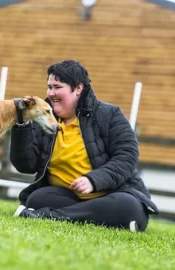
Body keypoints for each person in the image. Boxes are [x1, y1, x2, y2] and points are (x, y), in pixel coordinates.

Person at [9, 60, 159, 232]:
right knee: (36, 199)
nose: (51, 93)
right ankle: (109, 219)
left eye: (57, 87)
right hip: (68, 197)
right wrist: (22, 126)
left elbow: (127, 156)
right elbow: (26, 165)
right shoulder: (43, 118)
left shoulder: (109, 114)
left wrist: (93, 180)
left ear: (78, 88)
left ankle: (48, 215)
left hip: (112, 195)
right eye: (49, 87)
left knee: (129, 207)